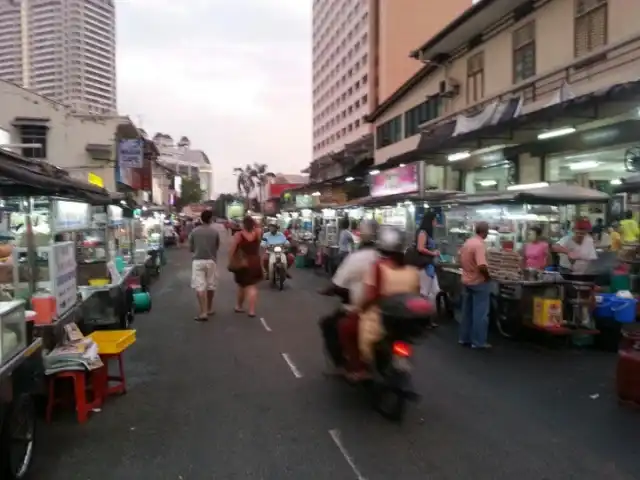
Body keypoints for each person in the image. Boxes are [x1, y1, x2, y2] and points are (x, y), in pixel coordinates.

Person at [348, 226, 421, 379]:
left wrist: (358, 309)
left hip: (379, 321)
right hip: (404, 322)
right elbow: (415, 295)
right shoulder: (412, 270)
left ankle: (361, 369)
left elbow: (370, 297)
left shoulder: (378, 268)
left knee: (351, 329)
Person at [319, 220, 379, 374]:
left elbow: (337, 284)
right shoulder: (385, 258)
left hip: (361, 309)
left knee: (329, 324)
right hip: (387, 310)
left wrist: (329, 290)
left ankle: (347, 365)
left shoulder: (356, 258)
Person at [459, 221, 492, 349]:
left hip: (466, 281)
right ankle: (478, 342)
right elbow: (482, 265)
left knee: (467, 311)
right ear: (485, 232)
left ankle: (464, 338)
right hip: (479, 282)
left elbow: (459, 259)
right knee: (480, 313)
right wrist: (488, 277)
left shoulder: (468, 242)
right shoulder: (479, 245)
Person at [188, 210, 220, 322]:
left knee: (200, 286)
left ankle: (203, 312)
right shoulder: (215, 232)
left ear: (201, 219)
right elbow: (217, 247)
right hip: (211, 261)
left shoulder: (194, 231)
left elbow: (191, 248)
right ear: (211, 219)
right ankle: (210, 308)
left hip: (197, 261)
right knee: (211, 285)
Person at [230, 216, 263, 317]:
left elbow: (232, 249)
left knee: (243, 285)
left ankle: (241, 307)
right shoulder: (257, 233)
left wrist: (231, 260)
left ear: (243, 224)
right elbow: (259, 229)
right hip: (255, 262)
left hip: (243, 262)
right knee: (250, 285)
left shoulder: (239, 235)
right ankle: (248, 309)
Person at [416, 212, 440, 302]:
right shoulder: (423, 233)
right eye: (435, 220)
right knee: (424, 292)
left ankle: (434, 311)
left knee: (435, 291)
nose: (436, 222)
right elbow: (420, 248)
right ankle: (422, 312)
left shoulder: (428, 234)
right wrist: (433, 253)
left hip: (430, 265)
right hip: (424, 266)